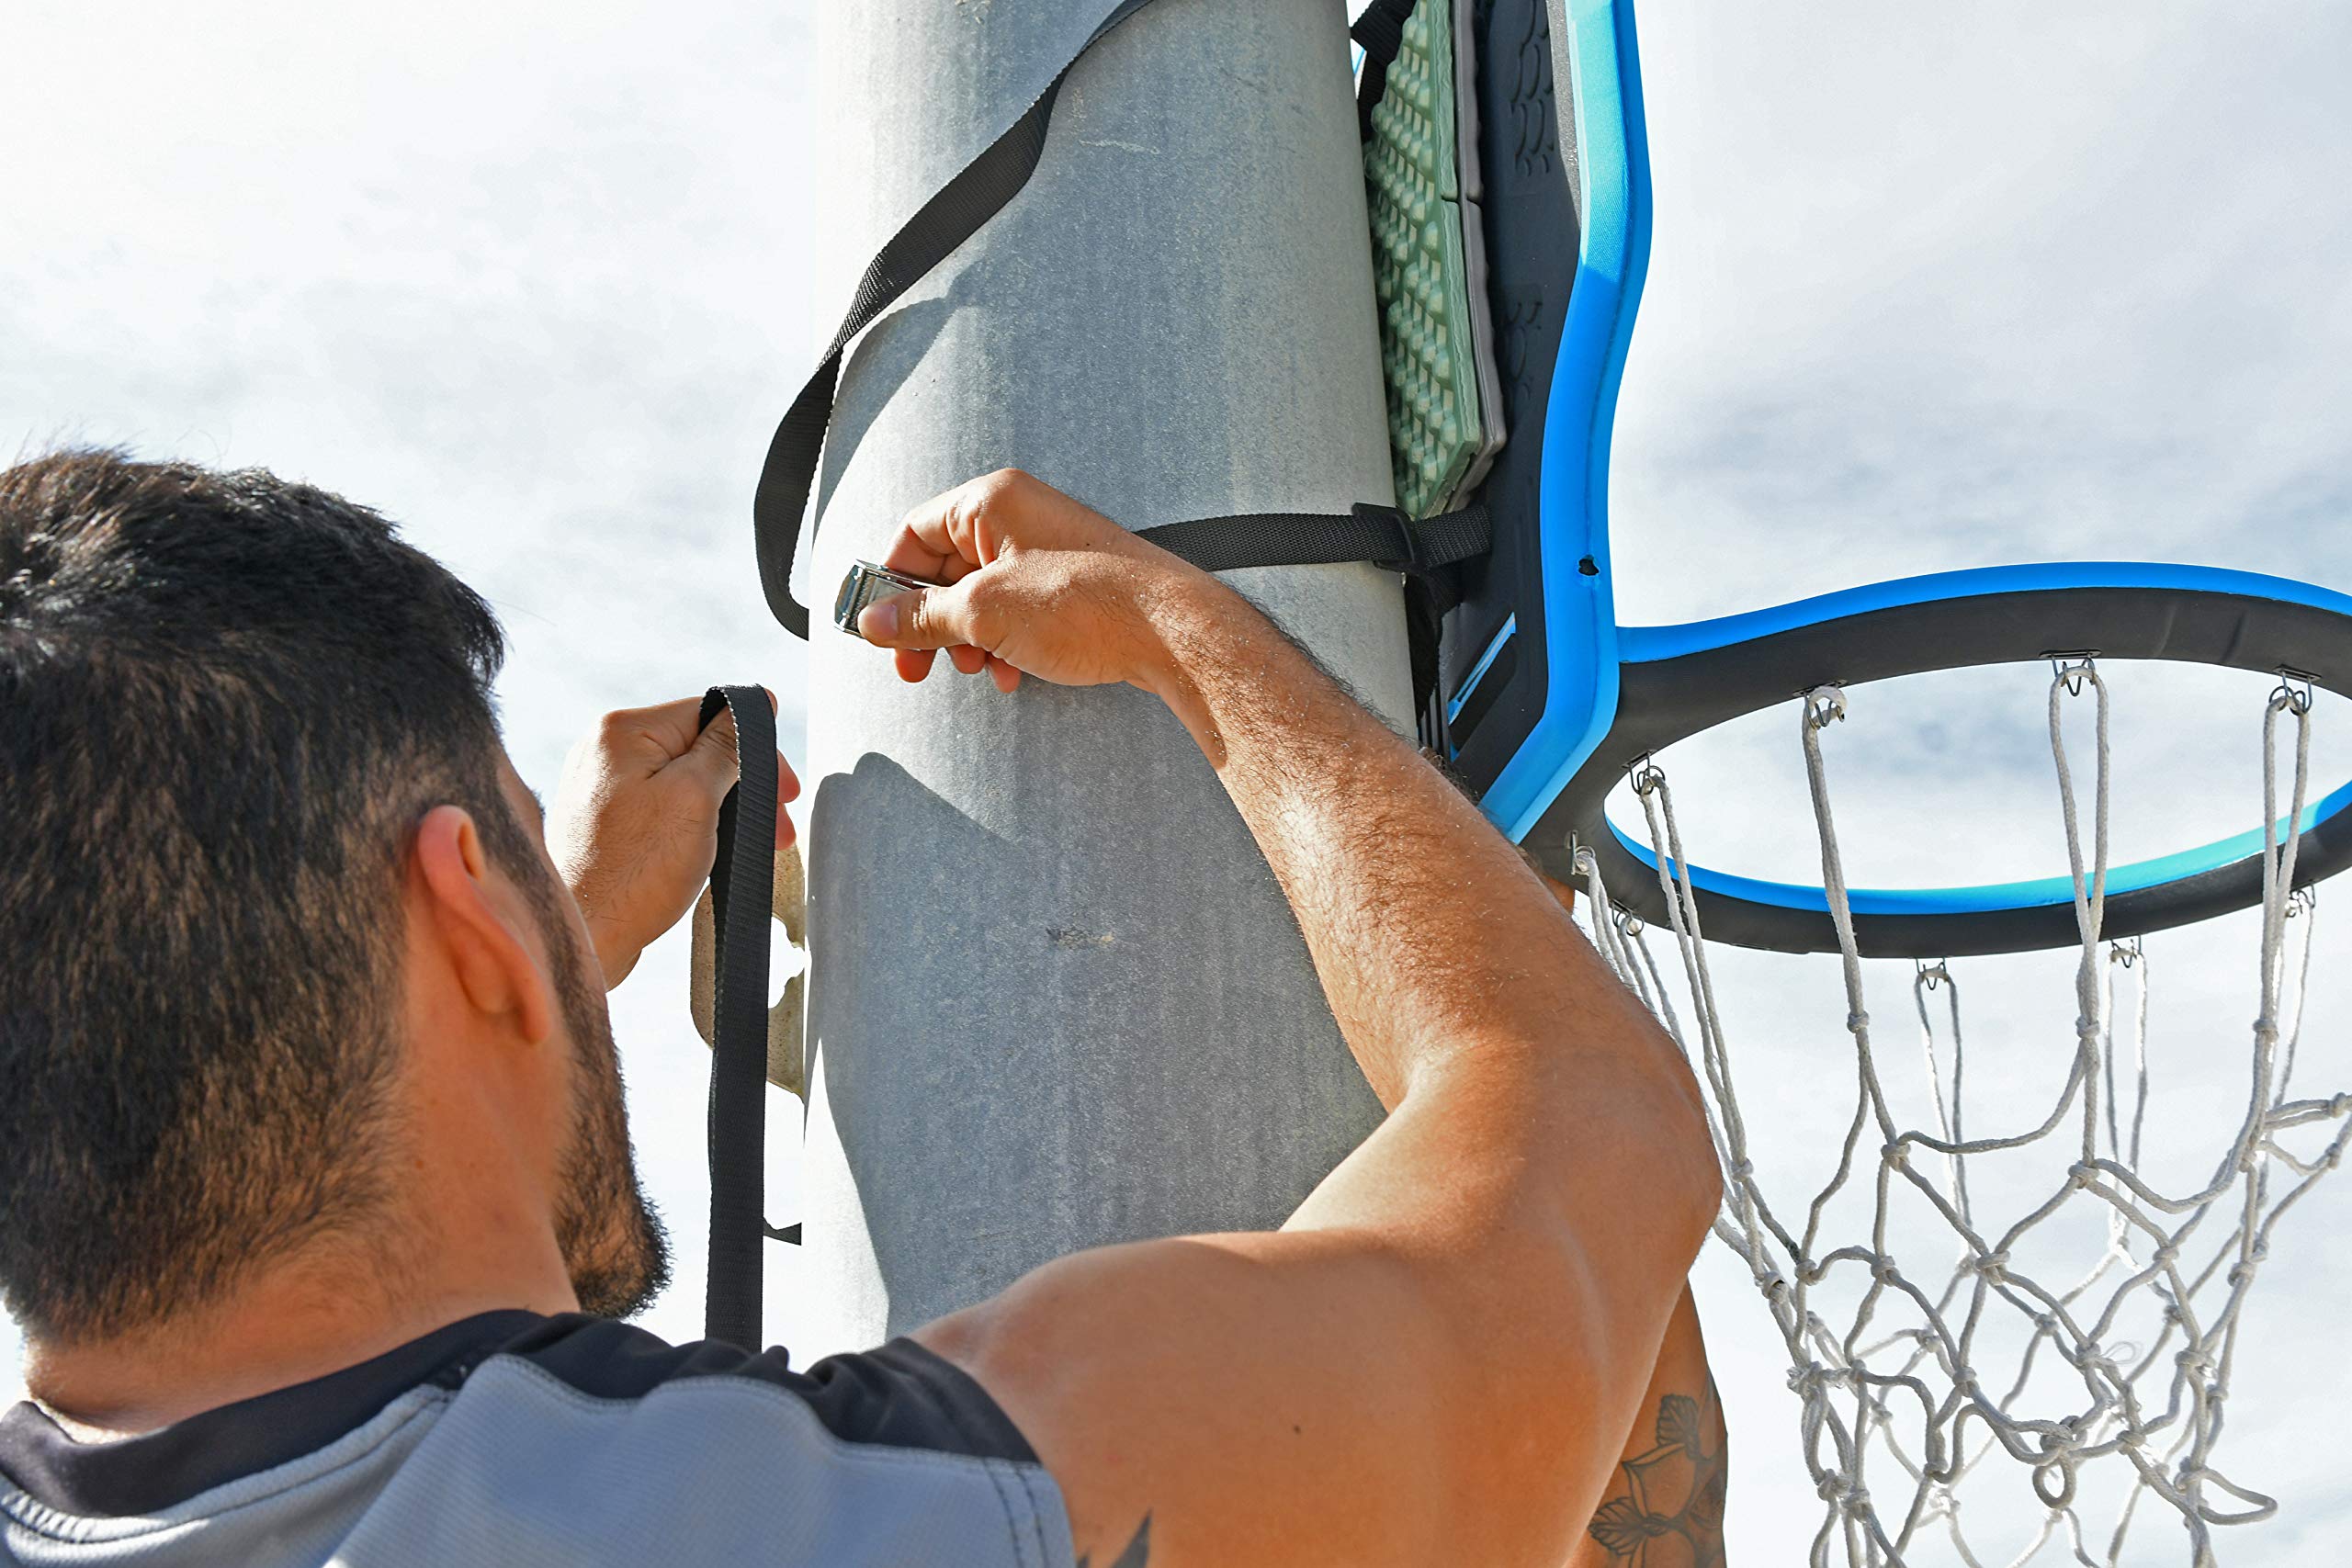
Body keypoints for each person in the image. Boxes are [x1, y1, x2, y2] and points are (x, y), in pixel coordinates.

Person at [0, 454, 1720, 1566]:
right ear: (467, 929)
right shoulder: (896, 1520)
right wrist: (1180, 631)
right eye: (516, 849)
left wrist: (552, 939)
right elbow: (1598, 1138)